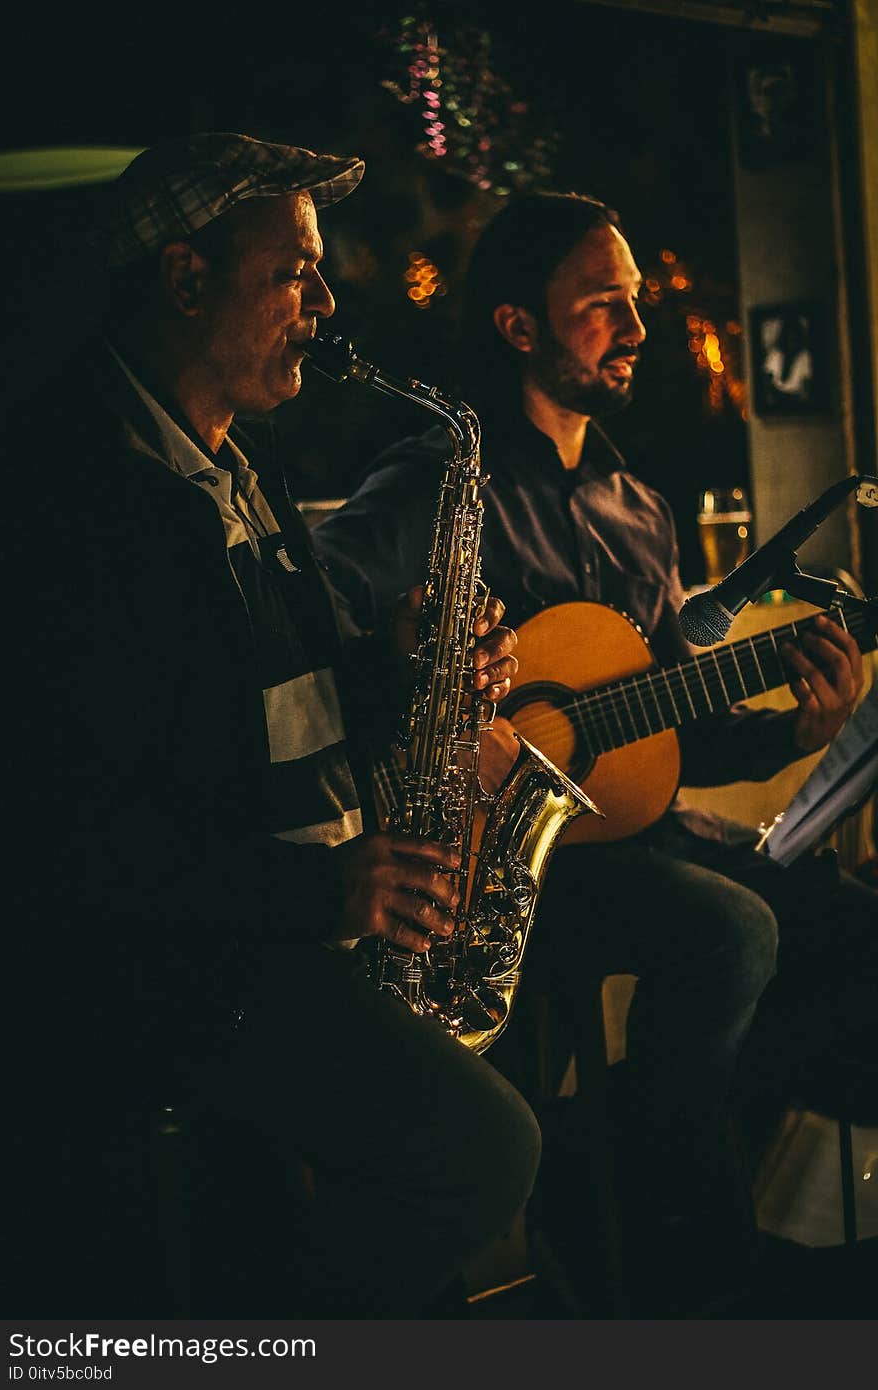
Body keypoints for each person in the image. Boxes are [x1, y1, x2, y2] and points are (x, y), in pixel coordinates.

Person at [3, 133, 543, 1319]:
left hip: (284, 932)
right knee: (485, 1152)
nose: (326, 301)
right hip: (183, 970)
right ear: (186, 279)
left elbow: (279, 691)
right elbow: (65, 836)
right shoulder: (70, 502)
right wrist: (322, 898)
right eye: (294, 272)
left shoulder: (235, 469)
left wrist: (407, 668)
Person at [311, 191, 877, 1315]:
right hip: (494, 868)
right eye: (601, 306)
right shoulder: (440, 476)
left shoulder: (638, 510)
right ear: (519, 326)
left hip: (627, 834)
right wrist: (409, 659)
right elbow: (317, 600)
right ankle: (683, 1241)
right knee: (729, 928)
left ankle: (627, 1158)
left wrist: (797, 726)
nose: (633, 329)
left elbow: (665, 737)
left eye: (634, 306)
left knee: (848, 926)